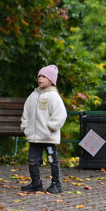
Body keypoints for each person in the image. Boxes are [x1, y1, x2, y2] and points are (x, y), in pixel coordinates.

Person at [20, 64, 67, 194]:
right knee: (33, 160)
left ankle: (56, 183)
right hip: (35, 137)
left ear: (51, 80)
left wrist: (51, 126)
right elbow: (26, 112)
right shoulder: (33, 95)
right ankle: (36, 183)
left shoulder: (53, 96)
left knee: (52, 160)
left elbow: (60, 114)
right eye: (39, 76)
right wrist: (25, 126)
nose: (40, 78)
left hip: (48, 136)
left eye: (44, 76)